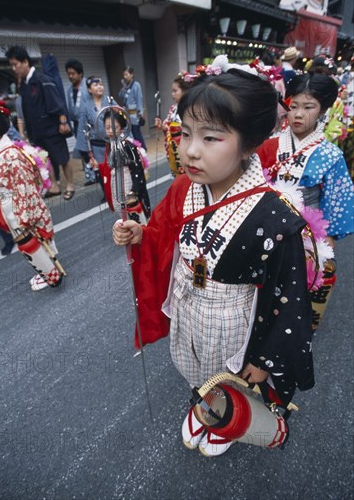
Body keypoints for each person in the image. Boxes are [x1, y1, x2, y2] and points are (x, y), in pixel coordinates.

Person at [113, 60, 315, 457]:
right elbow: (163, 234)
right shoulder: (183, 188)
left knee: (228, 373)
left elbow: (287, 297)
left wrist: (264, 358)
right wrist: (141, 234)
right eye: (187, 133)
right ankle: (204, 405)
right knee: (192, 364)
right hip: (187, 301)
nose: (190, 150)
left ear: (250, 145)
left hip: (232, 317)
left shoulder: (275, 217)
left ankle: (225, 418)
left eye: (211, 138)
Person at [257, 73, 353, 330]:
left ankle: (292, 328)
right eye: (294, 106)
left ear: (323, 110)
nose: (298, 114)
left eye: (308, 107)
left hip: (306, 232)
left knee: (299, 281)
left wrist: (326, 245)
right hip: (269, 223)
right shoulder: (271, 145)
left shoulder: (330, 155)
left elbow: (335, 202)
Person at [0, 98, 65, 291]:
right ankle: (44, 270)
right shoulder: (0, 152)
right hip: (9, 204)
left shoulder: (10, 154)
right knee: (25, 243)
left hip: (18, 204)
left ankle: (50, 273)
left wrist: (25, 216)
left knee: (32, 239)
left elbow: (25, 187)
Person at [5, 45, 75, 201]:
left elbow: (58, 103)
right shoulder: (23, 84)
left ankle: (70, 185)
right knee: (44, 159)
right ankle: (54, 187)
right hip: (37, 132)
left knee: (63, 158)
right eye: (12, 65)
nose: (14, 68)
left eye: (15, 64)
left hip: (52, 129)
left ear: (25, 62)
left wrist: (63, 121)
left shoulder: (42, 79)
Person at [91, 108, 150, 223]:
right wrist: (99, 166)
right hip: (115, 182)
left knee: (133, 214)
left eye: (114, 127)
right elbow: (110, 167)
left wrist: (135, 191)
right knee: (121, 212)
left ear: (122, 127)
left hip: (128, 182)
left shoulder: (128, 145)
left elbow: (137, 170)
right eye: (107, 127)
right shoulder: (109, 144)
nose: (110, 131)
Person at [76, 76, 110, 197]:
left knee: (115, 167)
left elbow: (121, 119)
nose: (100, 87)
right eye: (96, 85)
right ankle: (107, 193)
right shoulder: (86, 107)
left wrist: (127, 137)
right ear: (89, 89)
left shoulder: (110, 100)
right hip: (96, 145)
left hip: (111, 142)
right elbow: (82, 128)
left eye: (101, 84)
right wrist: (85, 150)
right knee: (101, 170)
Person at [154, 72, 191, 177]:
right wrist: (162, 125)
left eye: (175, 91)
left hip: (185, 147)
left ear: (185, 91)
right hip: (174, 149)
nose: (172, 94)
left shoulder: (191, 107)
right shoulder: (174, 108)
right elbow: (167, 125)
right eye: (172, 91)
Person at [118, 66, 146, 150]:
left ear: (131, 74)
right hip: (126, 114)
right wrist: (123, 88)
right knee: (130, 133)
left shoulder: (136, 85)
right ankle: (135, 149)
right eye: (124, 75)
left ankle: (142, 149)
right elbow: (120, 96)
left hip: (134, 114)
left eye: (126, 74)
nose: (125, 77)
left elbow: (139, 99)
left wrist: (140, 113)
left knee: (136, 132)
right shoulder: (125, 86)